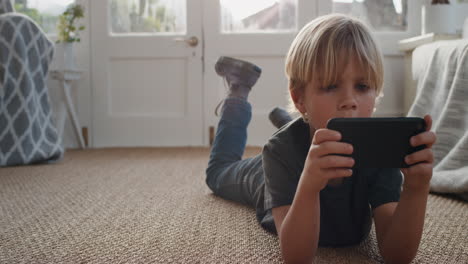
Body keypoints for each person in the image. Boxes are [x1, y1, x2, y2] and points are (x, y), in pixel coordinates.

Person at [205, 14, 437, 264]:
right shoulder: (280, 151)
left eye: (362, 86)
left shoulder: (379, 152)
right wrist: (309, 186)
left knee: (319, 125)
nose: (350, 100)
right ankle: (238, 93)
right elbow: (297, 257)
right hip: (269, 173)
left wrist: (416, 188)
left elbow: (396, 255)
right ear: (300, 99)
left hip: (308, 126)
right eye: (330, 86)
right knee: (217, 173)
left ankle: (295, 120)